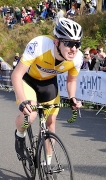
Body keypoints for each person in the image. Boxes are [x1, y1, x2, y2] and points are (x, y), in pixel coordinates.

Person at [11, 18, 83, 161]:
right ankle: (19, 135)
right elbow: (16, 74)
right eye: (69, 43)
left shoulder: (77, 58)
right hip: (28, 80)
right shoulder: (40, 45)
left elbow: (71, 80)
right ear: (57, 42)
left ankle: (48, 163)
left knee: (51, 123)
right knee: (30, 115)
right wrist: (22, 101)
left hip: (48, 84)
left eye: (77, 44)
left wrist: (72, 98)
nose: (73, 49)